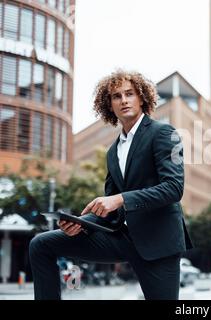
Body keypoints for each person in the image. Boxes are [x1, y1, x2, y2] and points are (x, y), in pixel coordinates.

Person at [29, 70, 193, 300]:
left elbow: (174, 188)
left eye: (129, 94)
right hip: (122, 237)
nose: (124, 100)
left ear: (142, 98)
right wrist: (81, 223)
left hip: (158, 243)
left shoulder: (164, 133)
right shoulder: (113, 151)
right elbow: (110, 210)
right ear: (110, 105)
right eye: (117, 96)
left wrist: (120, 199)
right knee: (41, 244)